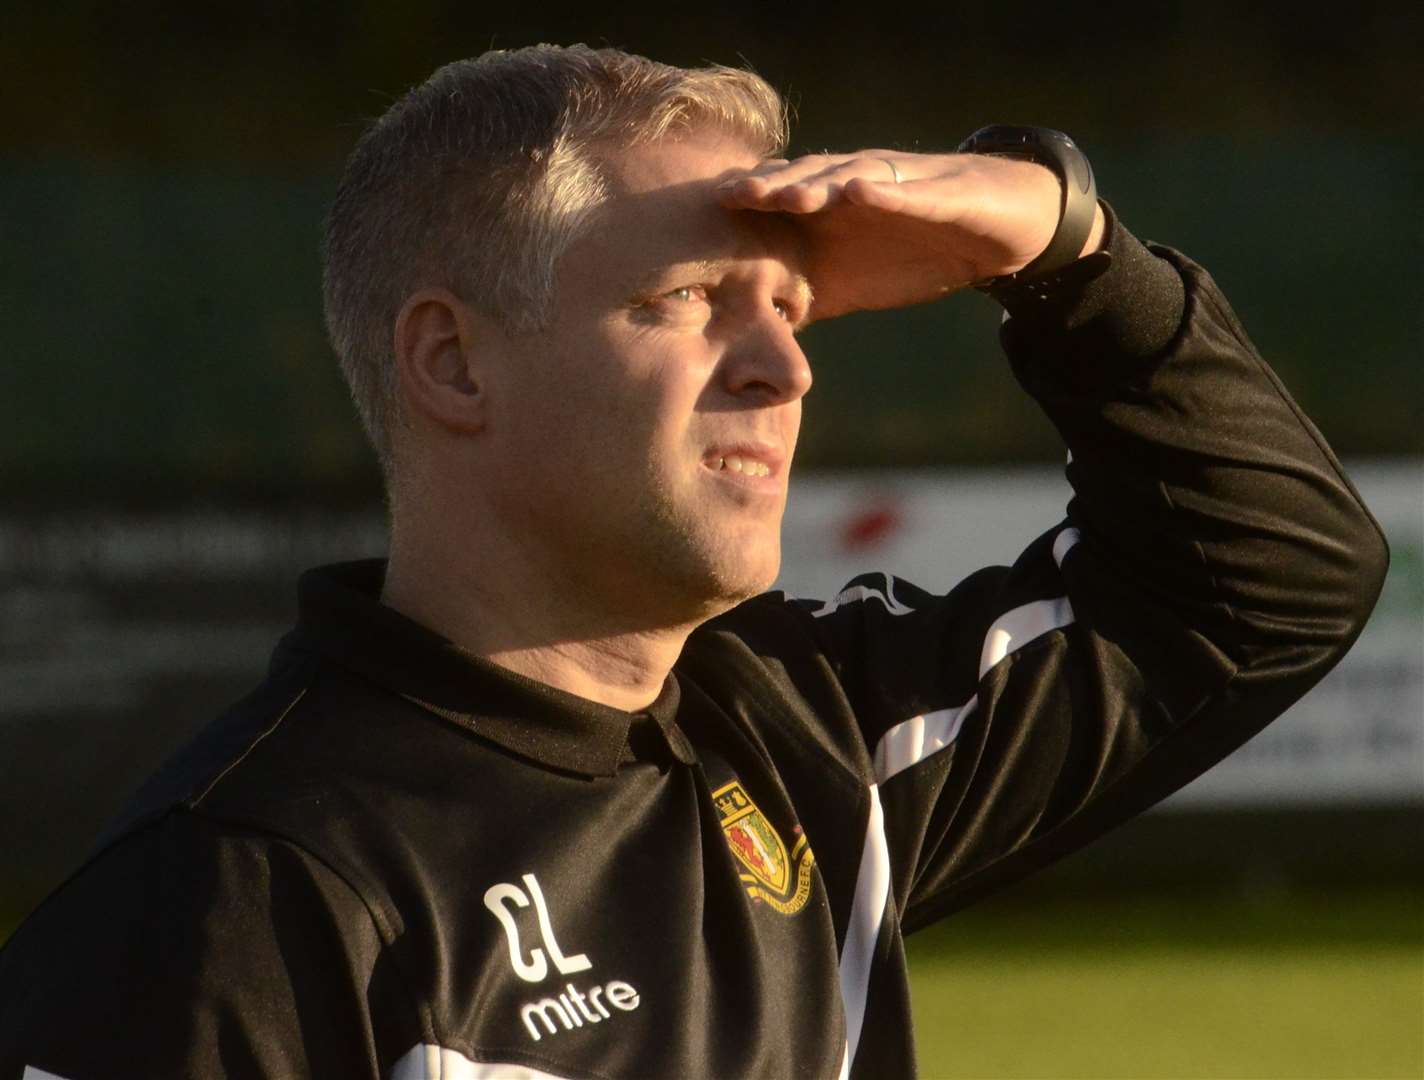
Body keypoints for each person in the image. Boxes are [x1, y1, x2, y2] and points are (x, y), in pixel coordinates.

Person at [0, 44, 1387, 1080]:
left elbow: (1265, 582)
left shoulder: (812, 742)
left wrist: (1070, 253)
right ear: (450, 359)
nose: (783, 367)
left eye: (790, 310)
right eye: (685, 302)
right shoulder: (238, 893)